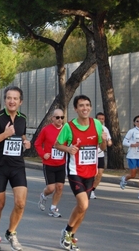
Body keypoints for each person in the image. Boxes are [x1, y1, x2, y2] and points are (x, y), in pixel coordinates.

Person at [55, 94, 107, 251]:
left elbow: (102, 148)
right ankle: (67, 232)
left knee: (84, 207)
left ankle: (69, 238)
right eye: (81, 106)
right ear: (75, 109)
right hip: (75, 170)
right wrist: (69, 148)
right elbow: (57, 145)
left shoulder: (97, 124)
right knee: (83, 204)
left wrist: (104, 140)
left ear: (90, 107)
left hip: (91, 172)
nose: (85, 108)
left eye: (87, 105)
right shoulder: (68, 127)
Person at [0, 86, 31, 251]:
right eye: (9, 98)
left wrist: (25, 141)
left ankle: (11, 232)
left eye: (15, 98)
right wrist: (5, 134)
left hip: (17, 165)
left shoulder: (22, 118)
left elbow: (21, 134)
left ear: (20, 101)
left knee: (21, 203)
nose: (12, 101)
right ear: (5, 100)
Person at [34, 108, 66, 218]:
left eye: (62, 117)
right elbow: (37, 144)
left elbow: (70, 143)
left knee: (60, 187)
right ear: (52, 118)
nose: (60, 119)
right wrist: (43, 154)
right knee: (51, 188)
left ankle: (53, 208)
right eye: (57, 117)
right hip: (49, 164)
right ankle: (43, 195)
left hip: (61, 163)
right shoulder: (46, 130)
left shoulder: (66, 130)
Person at [90, 112, 113, 199]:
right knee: (91, 174)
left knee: (99, 173)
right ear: (95, 119)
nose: (101, 120)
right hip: (91, 155)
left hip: (100, 154)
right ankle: (87, 188)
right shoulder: (91, 128)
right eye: (99, 119)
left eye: (102, 119)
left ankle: (92, 190)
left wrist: (109, 142)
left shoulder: (105, 129)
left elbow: (109, 140)